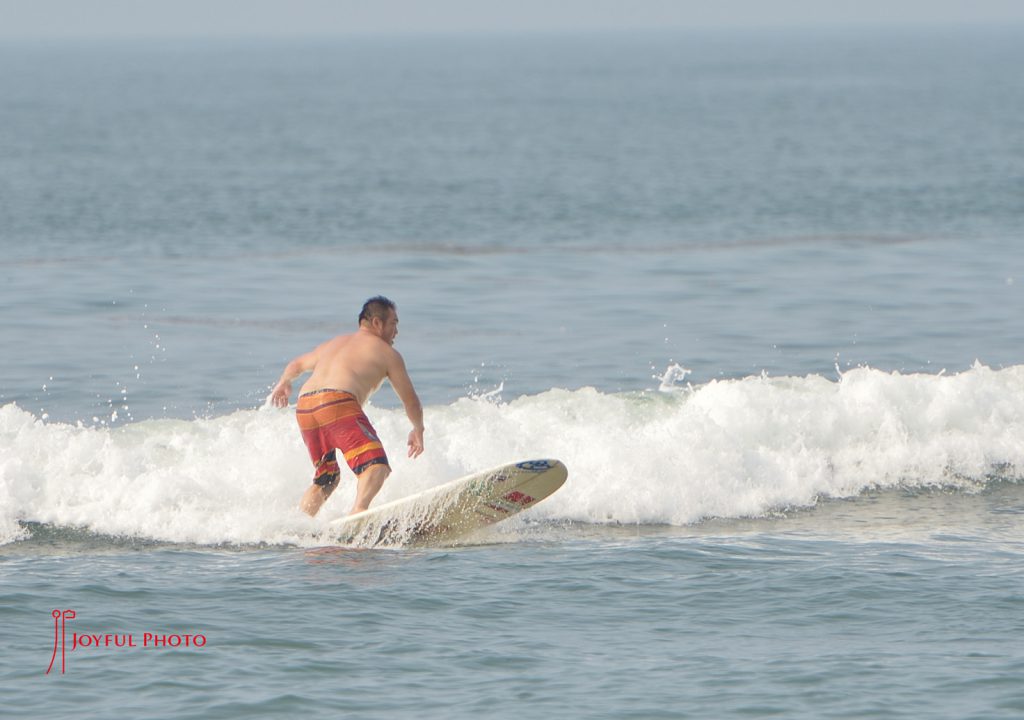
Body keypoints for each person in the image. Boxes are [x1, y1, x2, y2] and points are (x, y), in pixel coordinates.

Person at [270, 296, 424, 517]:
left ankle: (299, 524)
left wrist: (284, 382)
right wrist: (418, 429)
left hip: (305, 407)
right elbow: (411, 400)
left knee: (326, 478)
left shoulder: (331, 344)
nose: (396, 331)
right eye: (394, 323)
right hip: (335, 402)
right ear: (377, 323)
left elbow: (296, 365)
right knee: (375, 466)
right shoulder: (387, 353)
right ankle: (358, 511)